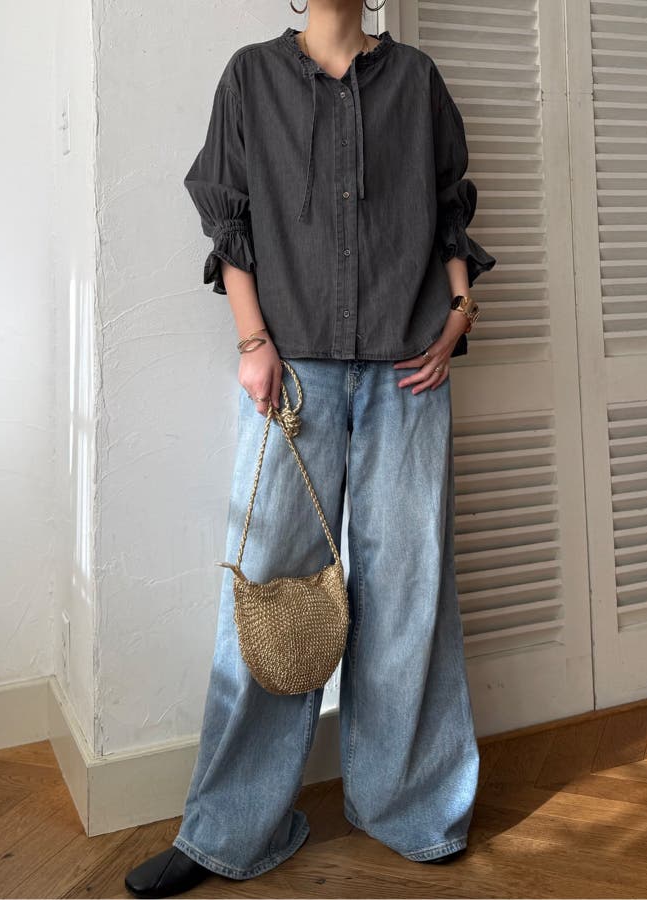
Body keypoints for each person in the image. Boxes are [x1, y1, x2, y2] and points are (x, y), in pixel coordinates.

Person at [126, 1, 496, 896]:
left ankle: (410, 805)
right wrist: (253, 341)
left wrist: (460, 310)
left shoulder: (416, 81)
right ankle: (229, 830)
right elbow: (231, 220)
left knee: (409, 586)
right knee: (271, 591)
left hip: (411, 370)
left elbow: (447, 208)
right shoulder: (251, 77)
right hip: (295, 375)